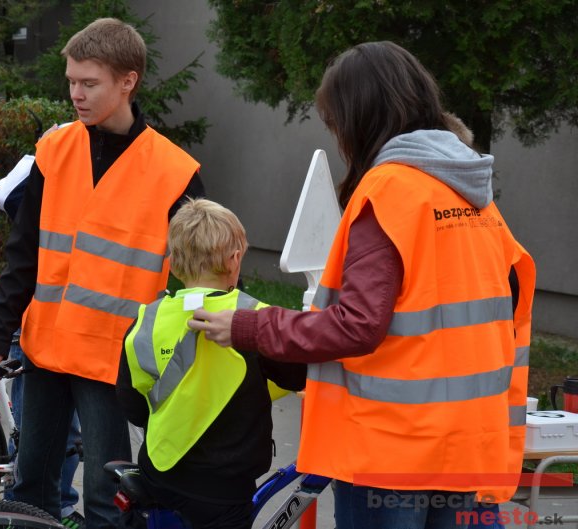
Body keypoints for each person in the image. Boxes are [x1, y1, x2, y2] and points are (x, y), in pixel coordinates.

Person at [188, 41, 536, 529]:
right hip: (470, 444)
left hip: (392, 451)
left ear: (360, 117)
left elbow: (358, 325)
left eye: (335, 123)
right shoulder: (473, 197)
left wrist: (248, 327)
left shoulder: (390, 190)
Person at [0, 17, 205, 529]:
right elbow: (24, 252)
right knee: (30, 490)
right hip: (44, 351)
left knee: (106, 500)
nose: (75, 94)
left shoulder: (175, 172)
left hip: (110, 362)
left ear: (128, 81)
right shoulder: (55, 150)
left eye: (89, 83)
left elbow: (202, 277)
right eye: (72, 81)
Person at [117, 198, 306, 529]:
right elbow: (297, 374)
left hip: (160, 474)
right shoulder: (256, 319)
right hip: (224, 488)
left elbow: (133, 407)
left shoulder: (146, 321)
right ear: (235, 259)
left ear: (174, 264)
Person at [0, 151, 86, 529]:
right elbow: (3, 195)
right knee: (37, 431)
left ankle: (52, 506)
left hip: (66, 325)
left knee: (62, 432)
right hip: (35, 322)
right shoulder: (52, 158)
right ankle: (42, 509)